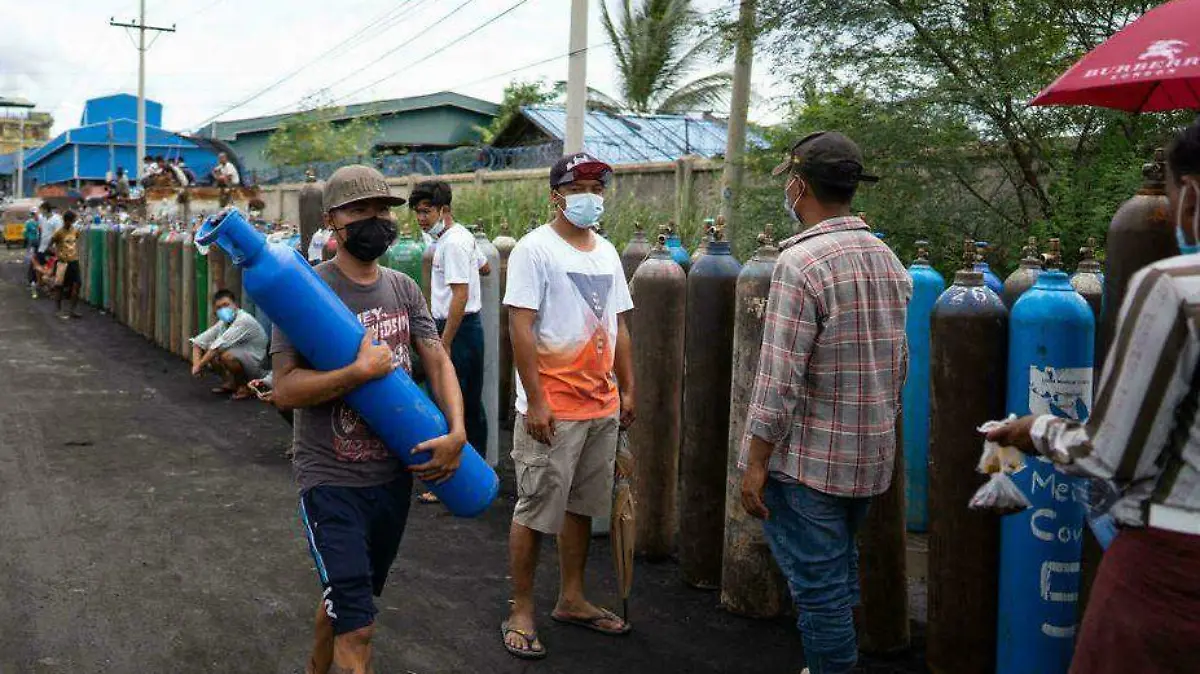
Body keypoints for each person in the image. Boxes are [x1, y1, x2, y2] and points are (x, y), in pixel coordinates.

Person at [986, 117, 1200, 674]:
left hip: (1173, 568)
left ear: (1191, 196)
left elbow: (1109, 454)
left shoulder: (1176, 287)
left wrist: (1034, 428)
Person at [270, 164, 466, 674]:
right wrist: (356, 373)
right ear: (332, 221)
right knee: (358, 625)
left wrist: (457, 432)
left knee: (346, 602)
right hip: (331, 481)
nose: (375, 220)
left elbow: (437, 358)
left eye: (381, 209)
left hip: (391, 479)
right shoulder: (304, 294)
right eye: (360, 211)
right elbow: (285, 390)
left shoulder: (403, 288)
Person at [739, 132, 910, 674]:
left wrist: (756, 461)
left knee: (819, 594)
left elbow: (777, 379)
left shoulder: (801, 264)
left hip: (808, 465)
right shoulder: (886, 258)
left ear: (799, 184)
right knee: (837, 574)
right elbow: (898, 363)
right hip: (868, 459)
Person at [501, 152, 636, 660]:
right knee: (536, 509)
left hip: (600, 404)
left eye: (598, 188)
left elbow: (620, 324)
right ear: (556, 194)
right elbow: (520, 325)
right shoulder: (534, 250)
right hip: (552, 410)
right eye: (580, 187)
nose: (591, 197)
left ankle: (572, 598)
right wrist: (535, 400)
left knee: (582, 508)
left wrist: (629, 389)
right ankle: (521, 609)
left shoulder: (606, 251)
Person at [409, 179, 490, 504]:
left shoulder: (454, 243)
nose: (421, 218)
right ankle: (473, 471)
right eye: (417, 212)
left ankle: (462, 477)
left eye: (426, 211)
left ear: (444, 210)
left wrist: (445, 342)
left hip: (458, 327)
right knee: (466, 401)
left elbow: (461, 294)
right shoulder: (459, 238)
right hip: (462, 326)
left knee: (457, 404)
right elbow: (484, 267)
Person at [190, 289, 269, 400]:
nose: (223, 309)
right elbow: (198, 342)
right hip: (244, 359)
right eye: (219, 307)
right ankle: (230, 383)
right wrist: (196, 364)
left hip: (258, 364)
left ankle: (245, 387)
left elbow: (217, 347)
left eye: (226, 305)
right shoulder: (223, 323)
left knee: (225, 356)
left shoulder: (243, 320)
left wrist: (200, 365)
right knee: (211, 349)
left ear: (235, 305)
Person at [49, 210, 83, 319]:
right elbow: (50, 244)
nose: (71, 223)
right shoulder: (59, 233)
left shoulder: (75, 231)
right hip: (62, 263)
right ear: (65, 221)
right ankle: (58, 310)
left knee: (77, 284)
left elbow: (75, 240)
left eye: (72, 221)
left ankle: (72, 310)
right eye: (70, 221)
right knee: (59, 286)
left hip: (74, 261)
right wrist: (57, 254)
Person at [35, 202, 63, 294]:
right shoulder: (42, 218)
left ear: (46, 210)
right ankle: (41, 284)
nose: (40, 212)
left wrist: (54, 247)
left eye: (41, 210)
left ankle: (51, 288)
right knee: (40, 266)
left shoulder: (56, 219)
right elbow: (39, 226)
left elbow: (58, 234)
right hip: (42, 246)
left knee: (50, 268)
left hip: (51, 248)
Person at [24, 208, 40, 298]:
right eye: (34, 214)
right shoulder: (29, 223)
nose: (35, 215)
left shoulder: (40, 222)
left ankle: (35, 281)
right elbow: (25, 233)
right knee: (32, 261)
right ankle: (32, 281)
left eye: (36, 213)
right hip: (31, 243)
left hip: (39, 243)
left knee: (37, 261)